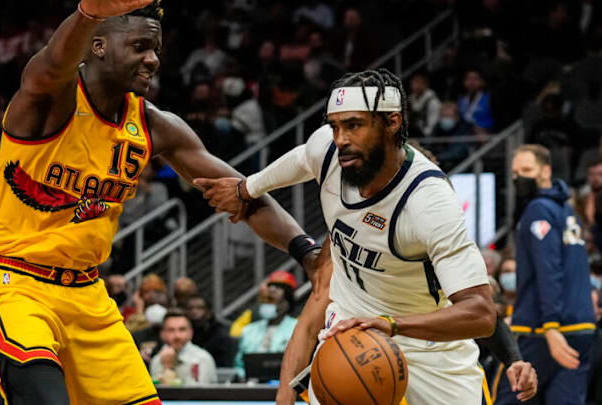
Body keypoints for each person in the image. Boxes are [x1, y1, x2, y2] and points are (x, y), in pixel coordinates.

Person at [0, 1, 321, 404]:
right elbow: (50, 65)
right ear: (98, 46)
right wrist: (88, 13)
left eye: (156, 49)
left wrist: (307, 252)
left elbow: (241, 192)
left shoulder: (154, 125)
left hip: (87, 294)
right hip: (14, 281)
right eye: (139, 46)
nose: (152, 59)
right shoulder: (52, 99)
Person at [196, 68, 538, 404]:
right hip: (350, 336)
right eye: (336, 126)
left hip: (426, 345)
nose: (341, 138)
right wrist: (246, 187)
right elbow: (301, 158)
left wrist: (390, 325)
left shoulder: (428, 203)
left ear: (392, 122)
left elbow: (480, 313)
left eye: (354, 125)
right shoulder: (329, 152)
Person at [495, 145, 596, 404]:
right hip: (582, 326)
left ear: (546, 171)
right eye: (516, 173)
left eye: (527, 170)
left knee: (507, 396)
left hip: (545, 329)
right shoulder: (567, 210)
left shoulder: (539, 209)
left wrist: (550, 326)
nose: (520, 178)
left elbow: (548, 270)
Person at [234, 271, 298, 378]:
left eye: (274, 301)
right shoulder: (249, 330)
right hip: (251, 386)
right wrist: (245, 377)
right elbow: (238, 364)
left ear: (286, 304)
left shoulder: (297, 328)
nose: (268, 305)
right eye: (266, 301)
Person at [149, 309, 217, 385]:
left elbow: (199, 394)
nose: (177, 336)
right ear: (162, 334)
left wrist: (169, 368)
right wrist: (167, 368)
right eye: (171, 330)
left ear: (191, 333)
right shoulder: (156, 360)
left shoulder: (202, 359)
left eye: (182, 329)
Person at [186, 295, 237, 368]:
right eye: (190, 308)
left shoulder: (220, 335)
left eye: (199, 308)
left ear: (208, 311)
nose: (194, 311)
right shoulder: (184, 332)